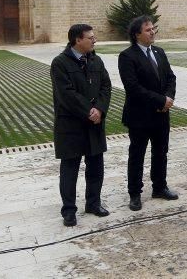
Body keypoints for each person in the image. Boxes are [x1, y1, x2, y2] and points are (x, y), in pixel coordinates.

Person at [50, 24, 111, 227]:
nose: (94, 41)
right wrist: (89, 111)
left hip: (94, 123)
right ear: (77, 40)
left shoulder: (96, 60)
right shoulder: (60, 63)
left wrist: (100, 109)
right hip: (71, 125)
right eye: (90, 38)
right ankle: (69, 210)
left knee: (96, 166)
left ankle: (93, 203)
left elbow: (105, 86)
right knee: (70, 169)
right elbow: (66, 94)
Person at [119, 16, 178, 212]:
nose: (152, 32)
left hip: (161, 114)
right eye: (147, 30)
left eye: (153, 29)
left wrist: (168, 98)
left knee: (161, 152)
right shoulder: (127, 56)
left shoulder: (159, 52)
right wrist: (160, 100)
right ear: (137, 34)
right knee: (137, 155)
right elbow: (133, 87)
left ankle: (160, 187)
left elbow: (171, 77)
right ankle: (135, 193)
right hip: (140, 115)